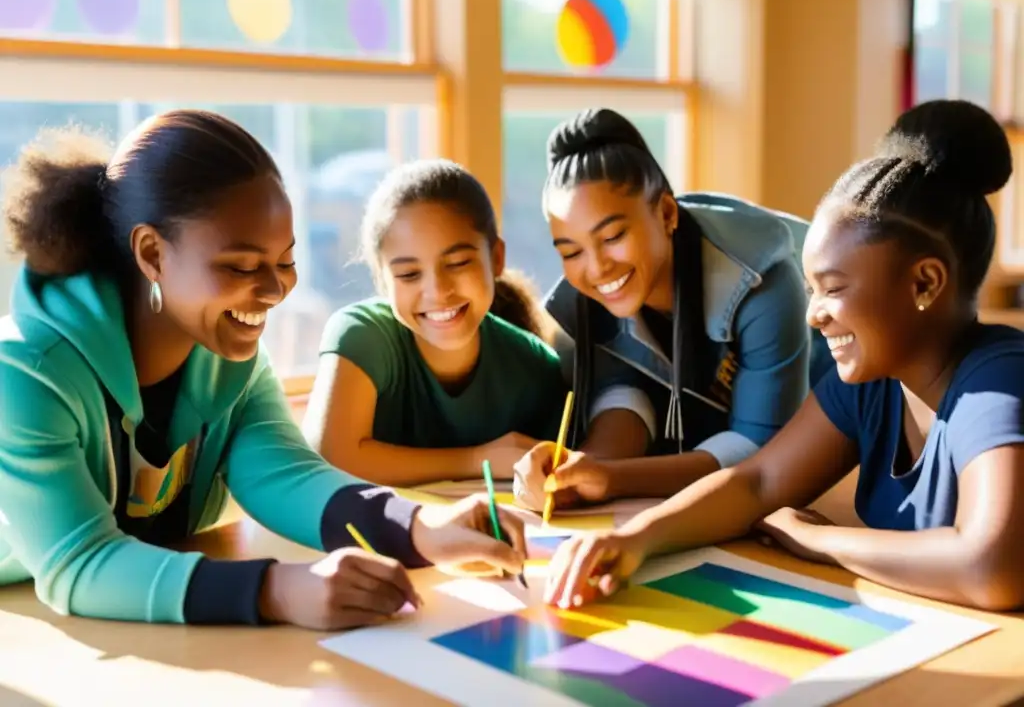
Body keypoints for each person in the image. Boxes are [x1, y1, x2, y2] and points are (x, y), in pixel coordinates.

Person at [0, 111, 526, 630]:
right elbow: (77, 564)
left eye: (285, 261)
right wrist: (277, 589)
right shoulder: (25, 374)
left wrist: (419, 528)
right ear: (152, 253)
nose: (275, 292)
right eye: (242, 266)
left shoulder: (230, 361)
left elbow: (287, 475)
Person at [542, 99, 1024, 613]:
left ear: (924, 282)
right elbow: (758, 482)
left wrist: (819, 541)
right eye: (811, 289)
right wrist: (635, 539)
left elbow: (992, 567)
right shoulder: (869, 387)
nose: (814, 315)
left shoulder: (998, 381)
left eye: (833, 289)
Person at [513, 108, 831, 512]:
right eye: (571, 251)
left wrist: (613, 479)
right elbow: (626, 392)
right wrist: (582, 467)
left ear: (666, 213)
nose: (596, 269)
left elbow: (760, 450)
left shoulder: (762, 280)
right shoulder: (586, 301)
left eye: (612, 236)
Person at [303, 159, 566, 488]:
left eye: (457, 263)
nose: (438, 291)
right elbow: (328, 457)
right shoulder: (361, 335)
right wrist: (479, 459)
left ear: (496, 258)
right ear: (382, 281)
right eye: (409, 274)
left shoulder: (536, 367)